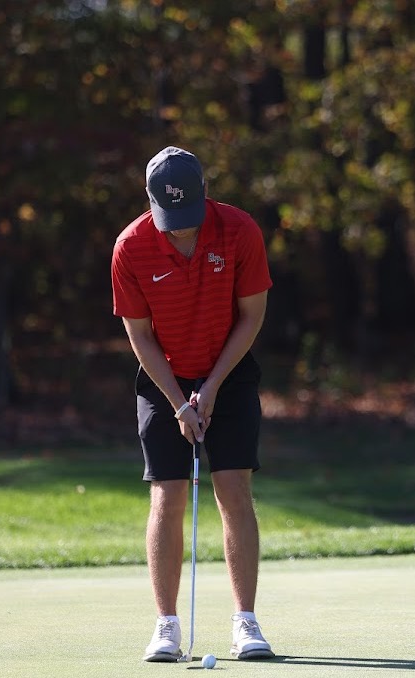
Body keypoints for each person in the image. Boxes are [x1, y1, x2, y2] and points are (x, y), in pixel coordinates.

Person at [111, 146, 275, 662]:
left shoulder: (240, 230)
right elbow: (138, 334)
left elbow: (251, 316)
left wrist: (213, 388)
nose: (180, 231)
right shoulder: (130, 247)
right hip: (165, 377)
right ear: (149, 199)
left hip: (228, 365)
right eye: (169, 220)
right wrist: (181, 401)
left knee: (233, 486)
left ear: (205, 193)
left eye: (187, 220)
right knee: (168, 493)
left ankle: (246, 622)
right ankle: (166, 626)